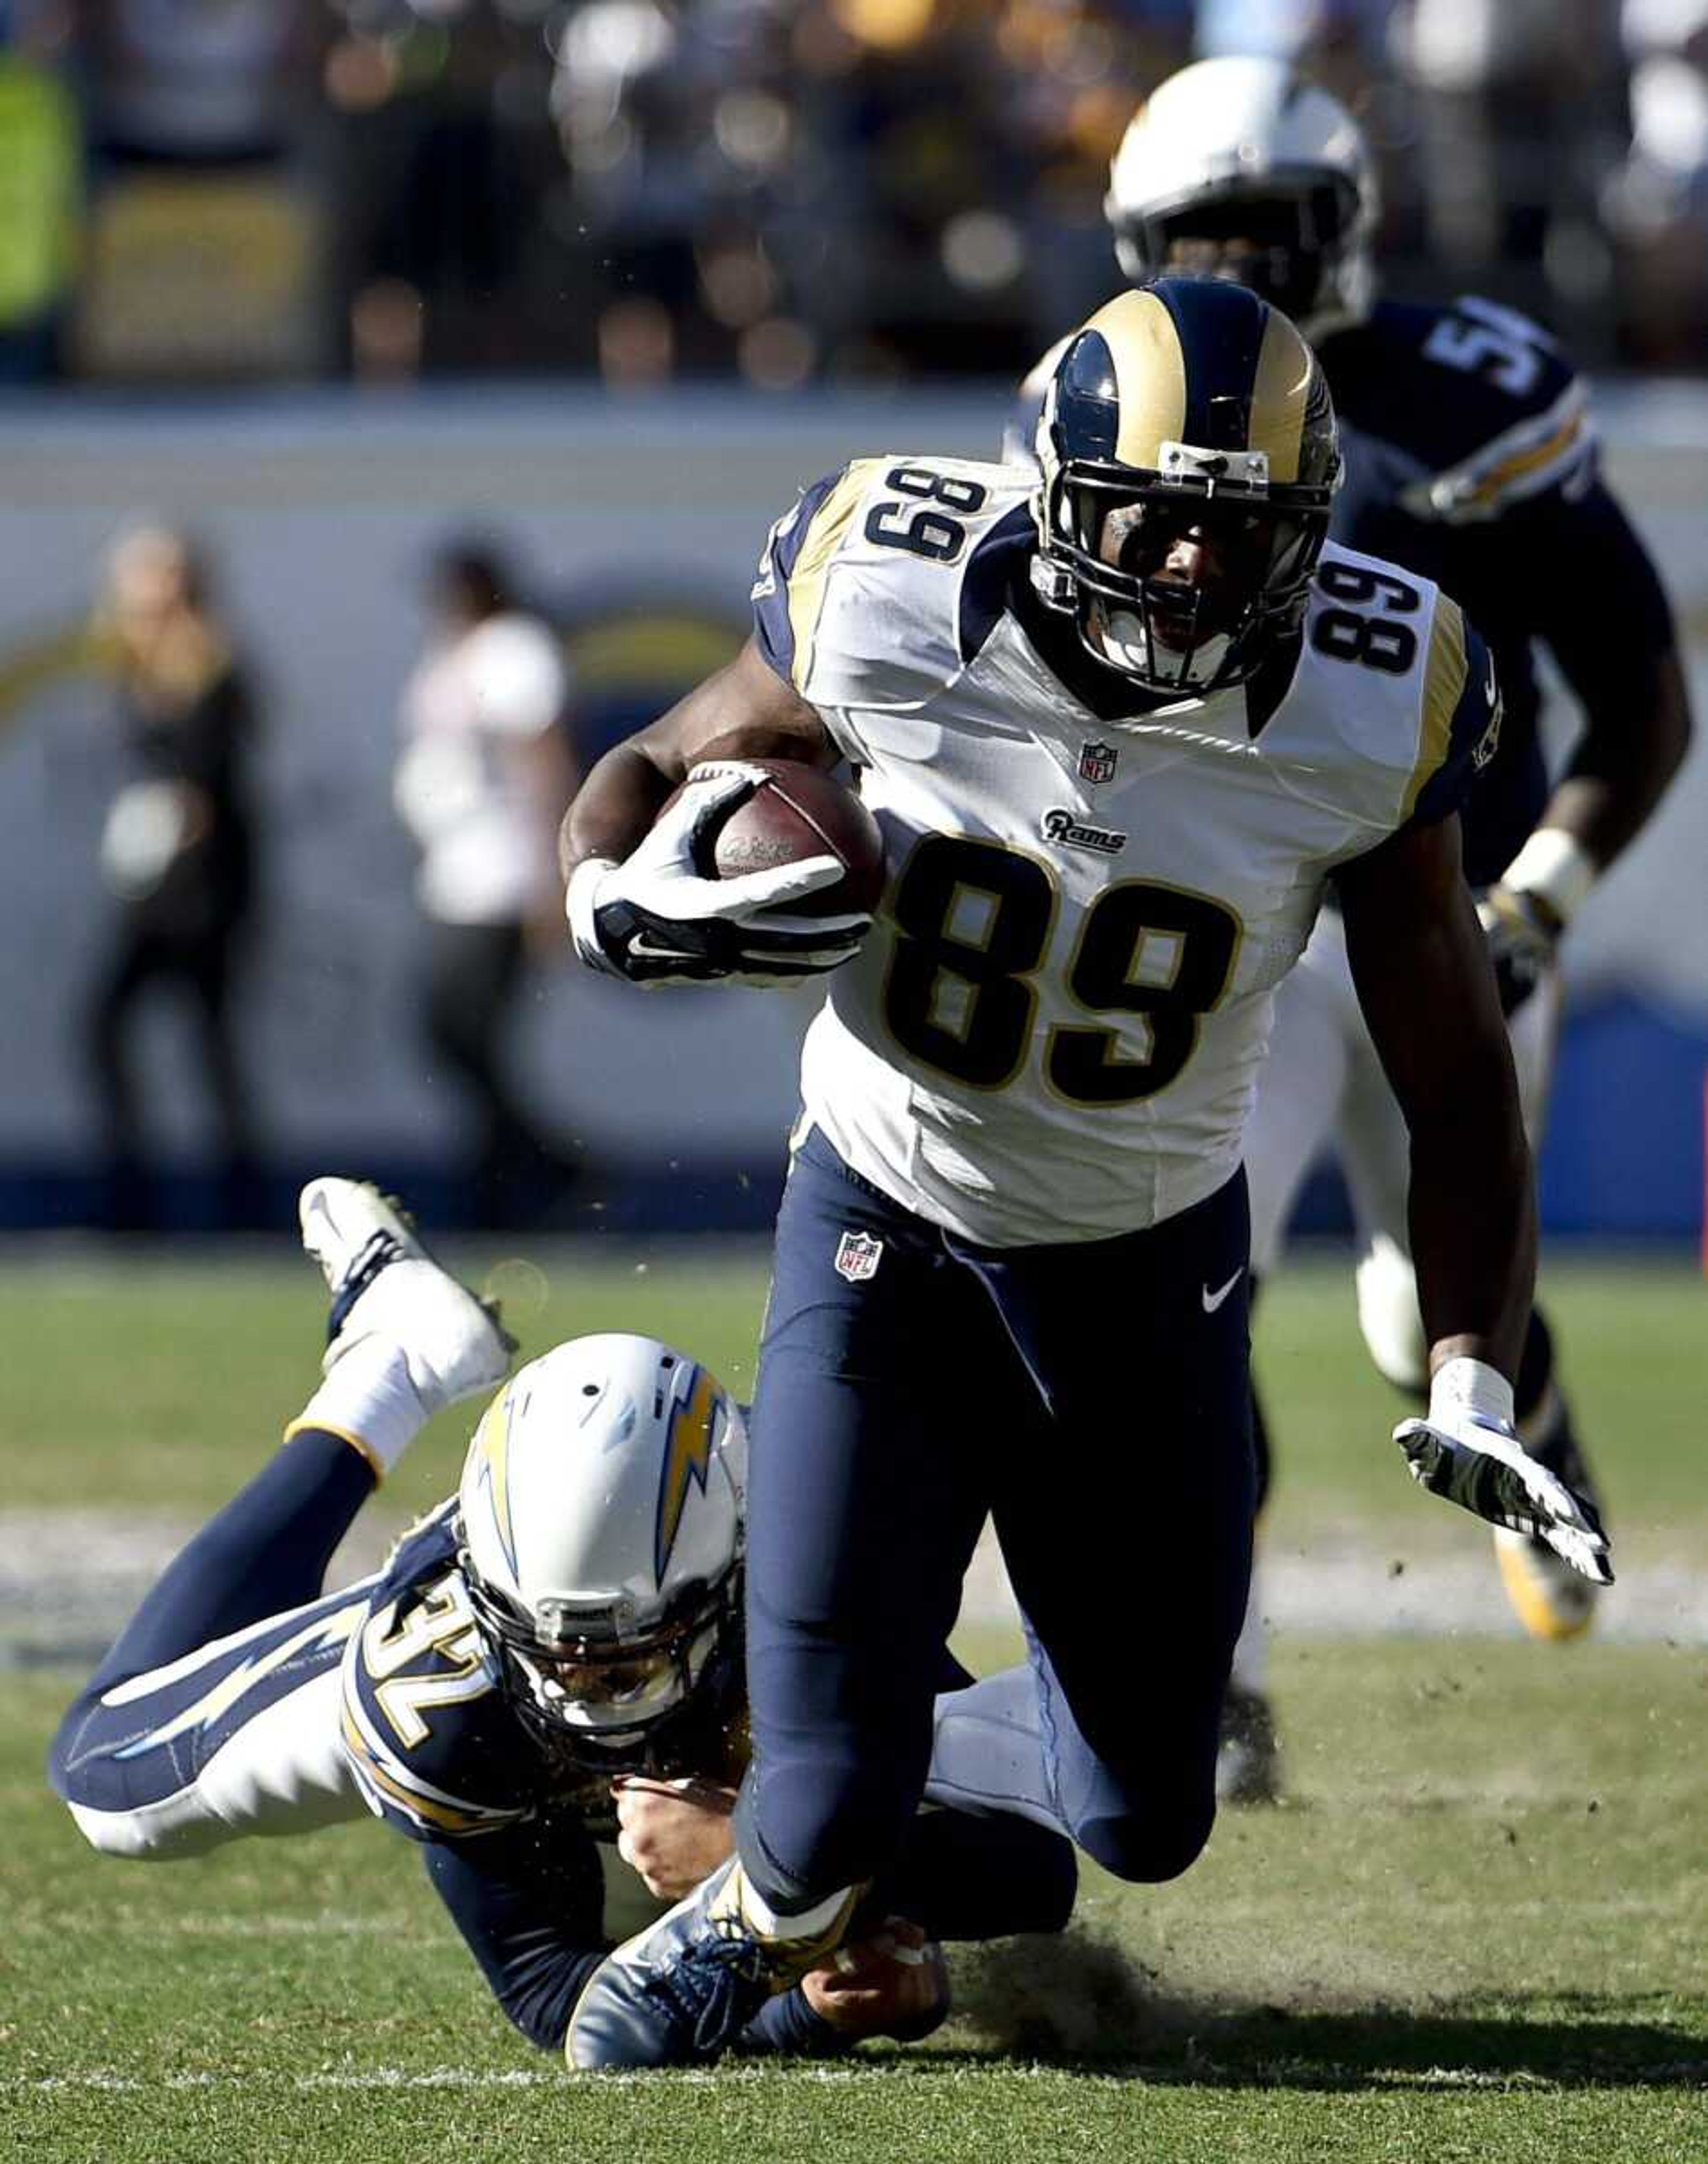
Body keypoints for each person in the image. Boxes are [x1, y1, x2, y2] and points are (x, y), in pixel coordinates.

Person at [557, 274, 1610, 2069]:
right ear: (1054, 495)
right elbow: (661, 755)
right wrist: (600, 884)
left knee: (1147, 1814)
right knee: (815, 1811)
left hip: (1142, 1275)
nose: (1193, 571)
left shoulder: (1376, 690)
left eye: (1240, 528)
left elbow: (1455, 1078)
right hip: (885, 1220)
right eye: (1155, 520)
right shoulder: (881, 585)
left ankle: (871, 1742)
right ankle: (764, 1879)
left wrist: (1473, 1361)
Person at [1006, 57, 1692, 1797]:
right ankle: (1209, 1674)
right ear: (1137, 244)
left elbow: (1638, 692)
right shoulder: (1101, 399)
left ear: (1347, 231)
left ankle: (1523, 1406)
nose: (1234, 266)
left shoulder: (1471, 397)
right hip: (1236, 927)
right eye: (1199, 234)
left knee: (1417, 1314)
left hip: (1449, 902)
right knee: (1187, 1294)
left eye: (1268, 228)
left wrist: (1537, 893)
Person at [48, 1178, 1075, 2059]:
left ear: (725, 1584)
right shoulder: (440, 1680)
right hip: (508, 1724)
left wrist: (775, 1874)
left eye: (629, 1658)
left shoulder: (805, 1586)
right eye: (561, 1655)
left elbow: (1034, 1866)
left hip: (680, 1762)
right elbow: (553, 1993)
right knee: (107, 1787)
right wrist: (780, 1926)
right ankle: (391, 1369)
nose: (584, 1692)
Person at [395, 539, 582, 1228]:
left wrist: (552, 876)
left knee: (465, 1035)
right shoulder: (455, 655)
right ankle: (516, 1173)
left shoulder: (514, 650)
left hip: (501, 873)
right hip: (455, 875)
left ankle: (540, 1172)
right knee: (452, 1035)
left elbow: (543, 762)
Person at [84, 524, 262, 1231]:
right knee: (137, 1028)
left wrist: (161, 840)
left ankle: (232, 1196)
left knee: (206, 1034)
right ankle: (142, 1185)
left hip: (205, 883)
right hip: (166, 880)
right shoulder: (140, 667)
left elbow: (205, 783)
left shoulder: (211, 664)